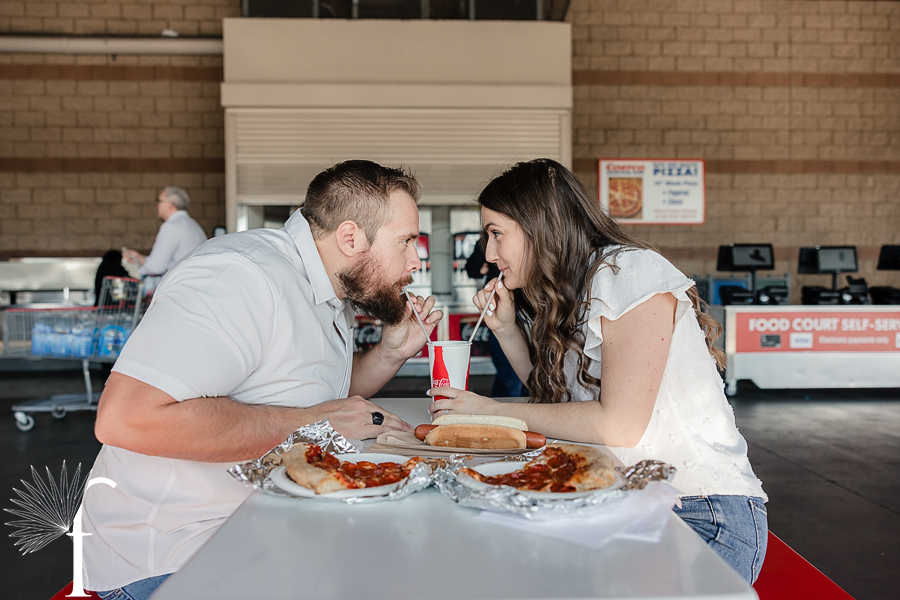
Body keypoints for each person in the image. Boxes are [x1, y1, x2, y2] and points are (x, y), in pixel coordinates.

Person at [83, 160, 443, 598]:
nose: (416, 260)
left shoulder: (329, 290)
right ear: (351, 238)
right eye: (406, 241)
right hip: (175, 558)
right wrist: (313, 425)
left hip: (258, 531)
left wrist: (391, 353)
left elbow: (313, 400)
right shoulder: (240, 275)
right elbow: (127, 418)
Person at [429, 159, 767, 583]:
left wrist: (491, 412)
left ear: (540, 225)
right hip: (617, 494)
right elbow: (557, 403)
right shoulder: (575, 288)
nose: (490, 253)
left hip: (699, 511)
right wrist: (507, 331)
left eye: (496, 234)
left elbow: (619, 424)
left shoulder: (628, 271)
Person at [464, 241, 526, 396]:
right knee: (508, 370)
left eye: (497, 233)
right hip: (500, 305)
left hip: (520, 307)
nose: (491, 256)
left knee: (516, 373)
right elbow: (471, 269)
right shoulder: (484, 244)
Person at [122, 186, 208, 277]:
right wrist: (139, 258)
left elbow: (156, 267)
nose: (157, 205)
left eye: (159, 201)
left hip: (180, 285)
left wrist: (134, 269)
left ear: (170, 205)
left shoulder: (171, 226)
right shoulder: (193, 224)